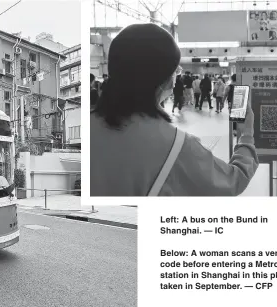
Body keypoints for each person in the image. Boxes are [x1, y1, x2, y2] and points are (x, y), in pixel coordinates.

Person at [90, 23, 259, 196]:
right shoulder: (178, 147)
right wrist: (246, 135)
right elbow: (234, 181)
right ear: (165, 80)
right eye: (175, 71)